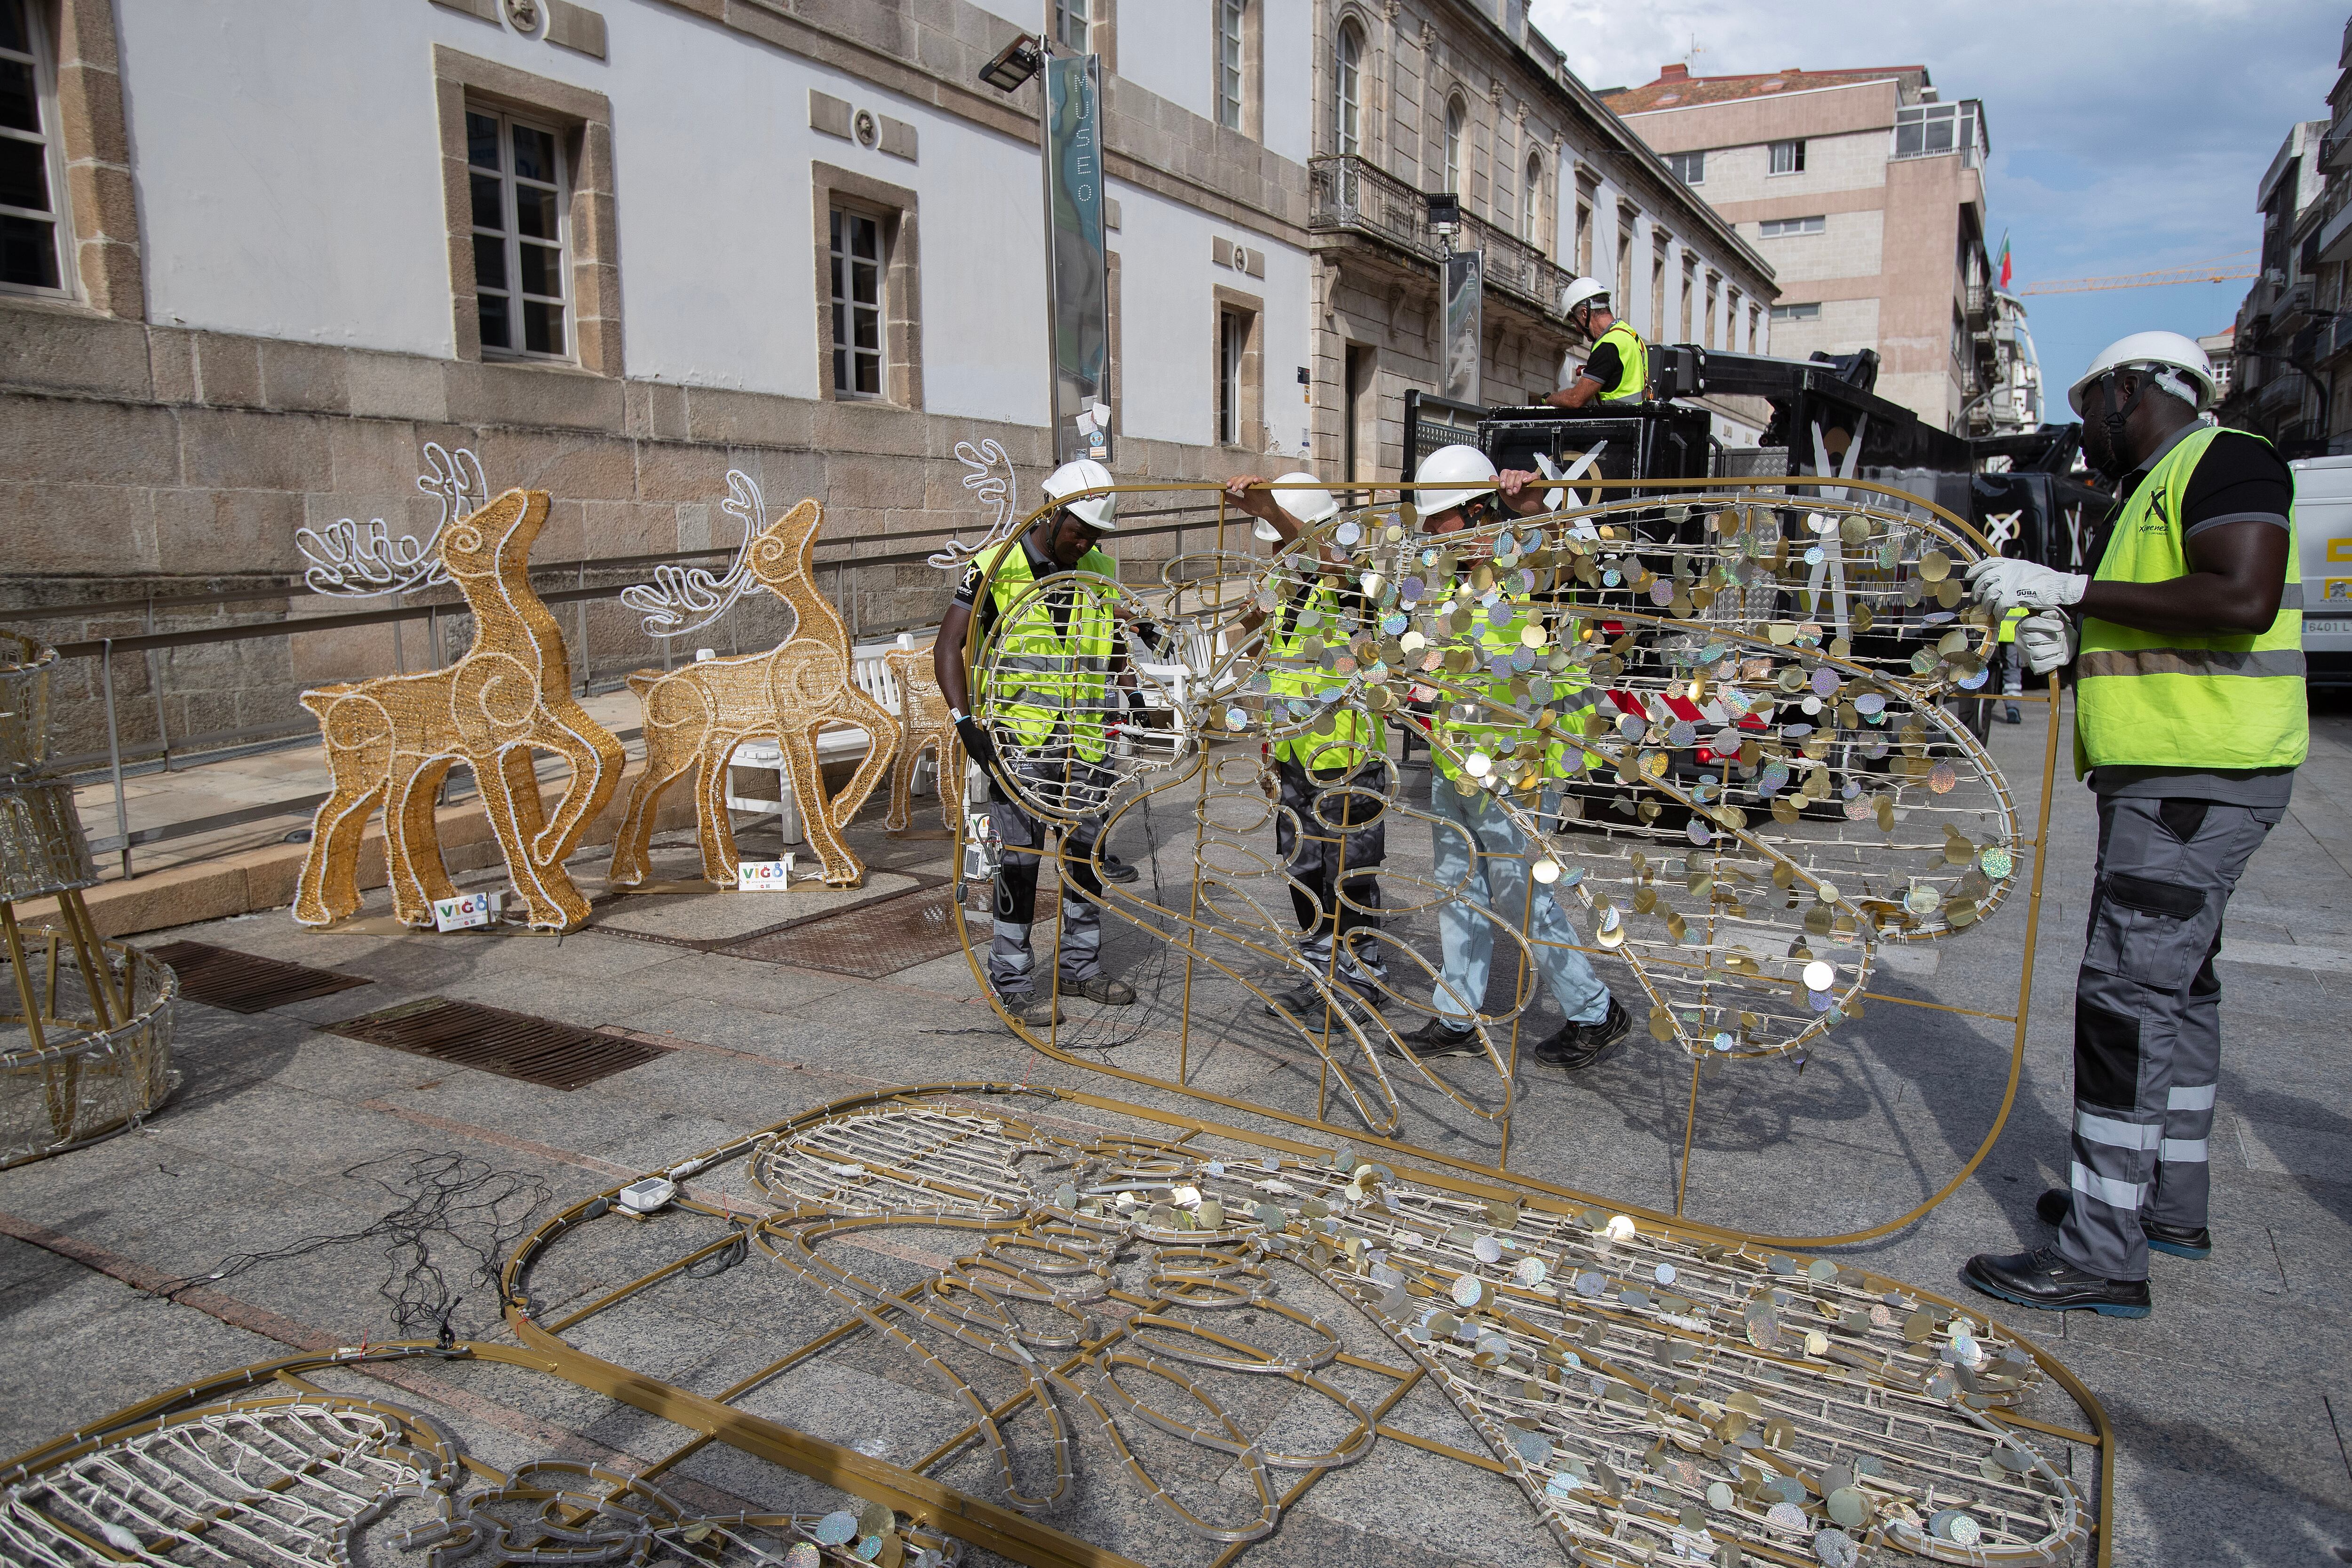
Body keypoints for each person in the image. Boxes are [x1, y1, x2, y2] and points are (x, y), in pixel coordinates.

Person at [1959, 331, 2303, 1319]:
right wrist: (2068, 633)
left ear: (2130, 390)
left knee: (2121, 1004)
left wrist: (2070, 589)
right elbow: (2158, 612)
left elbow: (2240, 596)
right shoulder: (2152, 488)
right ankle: (2161, 1202)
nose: (2088, 432)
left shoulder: (2224, 457)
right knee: (2179, 993)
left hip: (2196, 776)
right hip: (2176, 775)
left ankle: (2102, 1250)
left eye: (2093, 404)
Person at [1400, 443, 1631, 1068]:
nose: (1428, 531)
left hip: (1521, 765)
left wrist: (1536, 509)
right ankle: (1458, 1017)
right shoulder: (1451, 580)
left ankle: (1595, 1012)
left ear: (1476, 513)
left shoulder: (1528, 563)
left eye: (1438, 519)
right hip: (1459, 761)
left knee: (1522, 894)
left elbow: (1578, 557)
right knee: (1459, 889)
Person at [935, 459, 1141, 1028]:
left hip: (1088, 743)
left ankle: (1078, 966)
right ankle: (1013, 982)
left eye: (1095, 533)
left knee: (1084, 860)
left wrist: (1131, 689)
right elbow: (948, 645)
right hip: (1021, 745)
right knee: (1019, 866)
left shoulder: (1097, 566)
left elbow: (1109, 636)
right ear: (1050, 514)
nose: (1086, 542)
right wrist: (964, 721)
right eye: (1079, 530)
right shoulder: (993, 568)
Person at [1226, 471, 1390, 1015]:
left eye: (1281, 535)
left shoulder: (1350, 574)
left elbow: (1331, 565)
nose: (1274, 548)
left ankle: (1361, 980)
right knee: (1302, 867)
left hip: (1347, 758)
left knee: (1349, 875)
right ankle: (1322, 973)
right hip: (1293, 755)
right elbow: (1251, 641)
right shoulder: (1285, 586)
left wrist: (1274, 512)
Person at [1544, 278, 1648, 409]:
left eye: (1575, 322)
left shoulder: (1608, 345)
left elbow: (1575, 399)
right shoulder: (1633, 337)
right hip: (1634, 422)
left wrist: (1549, 399)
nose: (1577, 329)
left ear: (1584, 313)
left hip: (1614, 425)